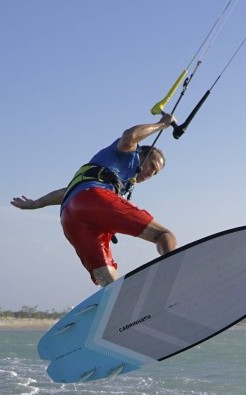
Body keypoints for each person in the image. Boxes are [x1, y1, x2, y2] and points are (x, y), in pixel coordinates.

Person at [11, 113, 177, 286]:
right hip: (94, 199)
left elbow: (68, 193)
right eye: (152, 165)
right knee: (165, 235)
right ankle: (172, 283)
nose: (151, 173)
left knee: (108, 279)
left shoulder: (115, 175)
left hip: (70, 216)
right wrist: (161, 124)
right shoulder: (128, 152)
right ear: (143, 153)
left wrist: (36, 203)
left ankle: (121, 309)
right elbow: (130, 135)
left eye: (155, 173)